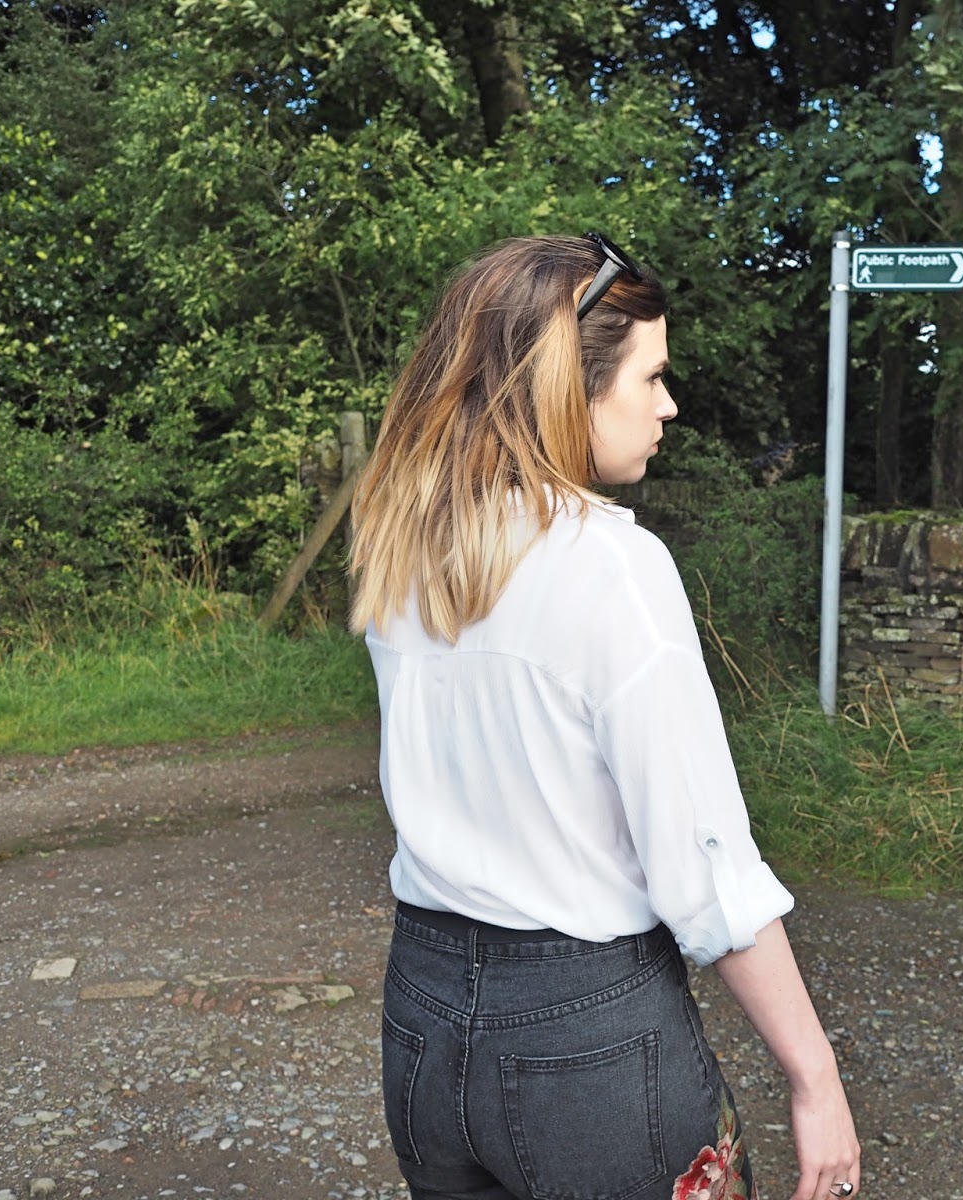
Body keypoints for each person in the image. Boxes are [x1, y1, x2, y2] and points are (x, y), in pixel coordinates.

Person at [348, 233, 861, 1200]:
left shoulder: (403, 553)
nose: (669, 405)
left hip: (420, 1015)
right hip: (583, 1035)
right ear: (567, 388)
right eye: (652, 376)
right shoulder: (615, 569)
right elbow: (706, 868)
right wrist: (817, 1077)